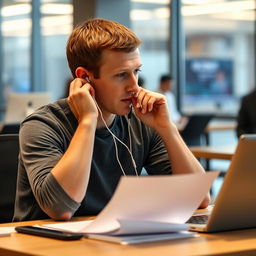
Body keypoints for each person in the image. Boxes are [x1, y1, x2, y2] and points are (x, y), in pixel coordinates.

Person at [13, 18, 210, 222]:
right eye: (121, 75)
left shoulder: (141, 122)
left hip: (113, 240)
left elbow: (198, 199)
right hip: (42, 248)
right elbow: (60, 208)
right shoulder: (42, 125)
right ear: (84, 77)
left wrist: (166, 128)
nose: (134, 86)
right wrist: (88, 120)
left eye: (136, 72)